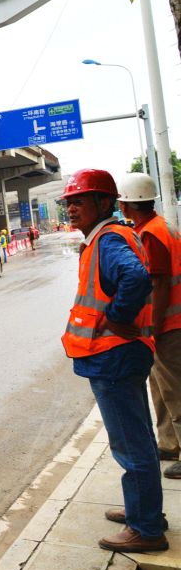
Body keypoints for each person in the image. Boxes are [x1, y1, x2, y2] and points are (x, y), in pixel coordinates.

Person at [60, 168, 166, 553]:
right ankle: (143, 511)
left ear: (105, 202)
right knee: (138, 438)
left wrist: (118, 318)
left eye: (80, 200)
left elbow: (136, 279)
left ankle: (146, 528)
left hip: (114, 357)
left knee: (130, 444)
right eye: (69, 201)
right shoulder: (107, 237)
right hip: (117, 355)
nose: (71, 208)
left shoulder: (107, 241)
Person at [118, 172, 181, 477]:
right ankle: (168, 444)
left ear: (128, 204)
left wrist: (151, 329)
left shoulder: (151, 234)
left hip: (169, 326)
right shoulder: (158, 226)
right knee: (159, 388)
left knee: (175, 391)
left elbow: (159, 284)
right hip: (168, 324)